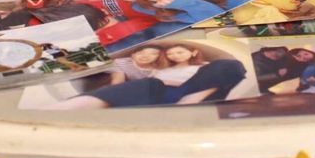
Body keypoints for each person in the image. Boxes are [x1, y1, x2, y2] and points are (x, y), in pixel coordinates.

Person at [50, 43, 246, 108]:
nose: (175, 56)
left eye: (179, 52)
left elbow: (226, 73)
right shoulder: (158, 70)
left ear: (193, 52)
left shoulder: (207, 67)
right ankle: (62, 111)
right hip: (154, 92)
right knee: (149, 84)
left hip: (191, 92)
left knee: (229, 65)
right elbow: (121, 77)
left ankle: (188, 102)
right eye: (170, 54)